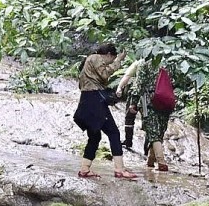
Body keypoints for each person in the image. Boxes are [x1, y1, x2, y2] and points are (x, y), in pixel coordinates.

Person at [73, 43, 137, 179]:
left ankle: (84, 169)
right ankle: (119, 169)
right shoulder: (96, 58)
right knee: (113, 132)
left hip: (86, 100)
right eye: (111, 59)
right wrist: (118, 61)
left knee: (94, 136)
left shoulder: (88, 62)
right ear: (108, 54)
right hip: (95, 101)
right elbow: (105, 74)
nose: (110, 62)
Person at [117, 59, 173, 171]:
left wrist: (133, 103)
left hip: (147, 101)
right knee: (159, 131)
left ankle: (161, 162)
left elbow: (139, 85)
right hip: (166, 101)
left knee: (152, 131)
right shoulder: (169, 62)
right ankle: (150, 161)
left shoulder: (145, 63)